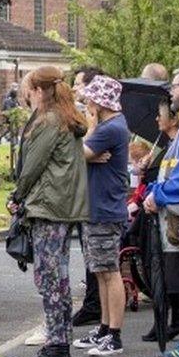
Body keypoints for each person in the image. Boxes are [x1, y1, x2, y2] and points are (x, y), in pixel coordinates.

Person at [11, 66, 89, 357]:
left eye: (30, 89)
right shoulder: (66, 117)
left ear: (41, 91)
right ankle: (59, 343)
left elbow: (32, 166)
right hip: (61, 205)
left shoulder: (50, 121)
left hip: (49, 206)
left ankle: (56, 346)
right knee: (58, 275)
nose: (28, 95)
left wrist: (17, 197)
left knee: (49, 277)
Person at [72, 76, 130, 357]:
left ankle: (114, 334)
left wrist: (90, 124)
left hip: (105, 210)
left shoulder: (110, 128)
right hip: (97, 208)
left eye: (90, 99)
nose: (87, 103)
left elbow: (78, 153)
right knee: (101, 272)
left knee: (109, 272)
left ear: (100, 101)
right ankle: (105, 328)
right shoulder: (110, 126)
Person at [144, 71, 179, 357]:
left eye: (177, 85)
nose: (172, 91)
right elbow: (170, 171)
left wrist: (158, 194)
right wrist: (156, 190)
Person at [71, 65, 106, 327]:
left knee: (98, 261)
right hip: (84, 195)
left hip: (97, 199)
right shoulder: (82, 117)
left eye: (79, 84)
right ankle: (93, 304)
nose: (74, 89)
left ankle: (95, 307)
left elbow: (83, 152)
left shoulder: (99, 122)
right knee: (90, 257)